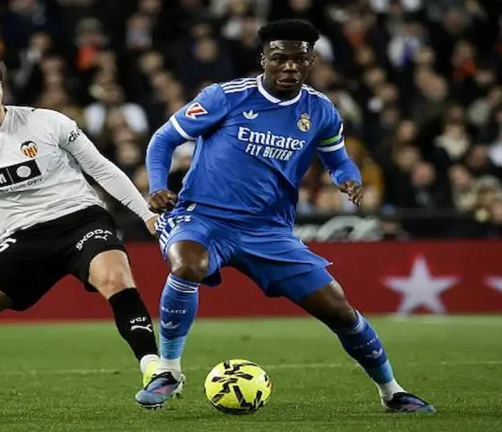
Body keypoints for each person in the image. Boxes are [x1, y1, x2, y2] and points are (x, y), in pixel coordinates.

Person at [135, 19, 435, 413]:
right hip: (204, 217)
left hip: (269, 231)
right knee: (188, 264)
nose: (289, 66)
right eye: (280, 58)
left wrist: (348, 179)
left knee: (339, 309)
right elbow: (164, 138)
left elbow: (338, 158)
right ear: (265, 59)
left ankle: (392, 392)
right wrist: (157, 185)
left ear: (311, 62)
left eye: (299, 59)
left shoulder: (321, 111)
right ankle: (169, 371)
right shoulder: (225, 97)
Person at [0, 53, 161, 419]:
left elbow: (100, 167)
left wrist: (146, 214)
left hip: (80, 219)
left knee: (114, 277)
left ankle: (155, 368)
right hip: (23, 238)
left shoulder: (47, 122)